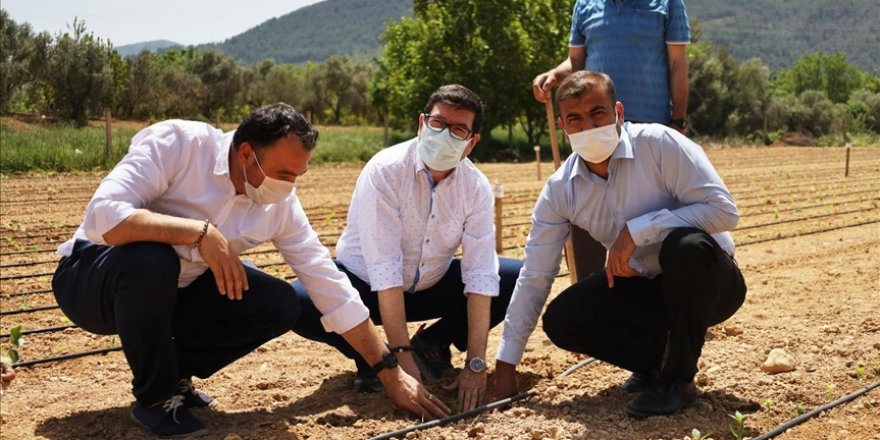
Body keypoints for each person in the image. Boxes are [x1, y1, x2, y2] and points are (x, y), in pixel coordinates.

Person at [52, 103, 449, 438]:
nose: (288, 187)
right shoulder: (181, 144)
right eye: (282, 175)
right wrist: (198, 232)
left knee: (279, 302)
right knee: (153, 260)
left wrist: (388, 370)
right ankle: (156, 398)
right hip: (91, 279)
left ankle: (174, 374)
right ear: (246, 154)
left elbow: (328, 284)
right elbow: (102, 217)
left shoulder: (280, 206)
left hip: (174, 292)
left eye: (298, 177)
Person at [489, 71, 746, 418]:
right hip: (644, 287)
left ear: (619, 113)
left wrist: (638, 231)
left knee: (685, 246)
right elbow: (535, 274)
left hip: (708, 284)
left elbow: (724, 211)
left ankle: (679, 380)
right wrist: (506, 364)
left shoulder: (659, 144)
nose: (588, 127)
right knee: (564, 319)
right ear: (563, 126)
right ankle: (658, 361)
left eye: (598, 113)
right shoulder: (561, 190)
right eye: (575, 119)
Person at [292, 85, 521, 413]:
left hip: (429, 284)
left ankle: (432, 345)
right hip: (366, 286)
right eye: (438, 124)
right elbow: (385, 269)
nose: (444, 135)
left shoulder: (475, 187)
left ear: (471, 143)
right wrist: (398, 360)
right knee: (300, 300)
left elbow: (481, 274)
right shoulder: (385, 171)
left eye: (458, 130)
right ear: (421, 123)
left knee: (513, 278)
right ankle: (371, 355)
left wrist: (475, 364)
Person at [532, 0, 691, 132]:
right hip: (596, 125)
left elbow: (677, 64)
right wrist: (554, 75)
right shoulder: (584, 5)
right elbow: (576, 60)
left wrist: (678, 121)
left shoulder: (669, 3)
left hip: (651, 127)